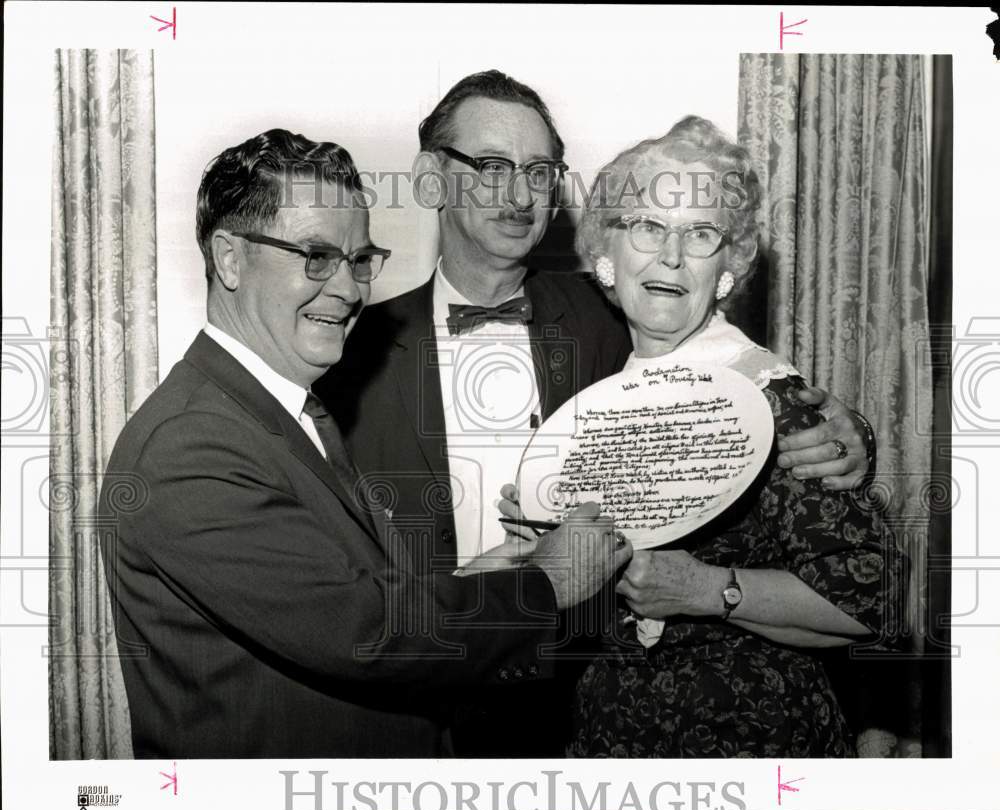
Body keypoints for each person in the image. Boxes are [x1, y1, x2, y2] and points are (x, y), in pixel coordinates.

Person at [317, 70, 877, 756]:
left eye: (539, 170)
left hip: (582, 699)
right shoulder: (346, 354)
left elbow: (739, 377)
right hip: (426, 709)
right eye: (493, 166)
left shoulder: (618, 316)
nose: (521, 194)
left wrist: (845, 430)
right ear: (430, 180)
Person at [98, 128, 631, 759]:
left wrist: (478, 575)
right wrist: (547, 581)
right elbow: (366, 633)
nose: (349, 290)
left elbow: (347, 593)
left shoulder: (292, 410)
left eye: (358, 261)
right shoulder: (189, 449)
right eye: (315, 257)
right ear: (229, 257)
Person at [505, 115, 907, 757]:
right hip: (608, 740)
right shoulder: (600, 389)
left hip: (754, 744)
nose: (670, 255)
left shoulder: (772, 400)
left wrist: (705, 588)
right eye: (647, 226)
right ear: (607, 251)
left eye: (700, 233)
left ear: (727, 263)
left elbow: (873, 601)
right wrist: (547, 536)